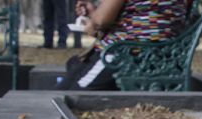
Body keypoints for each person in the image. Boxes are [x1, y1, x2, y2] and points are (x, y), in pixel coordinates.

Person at [57, 0, 189, 90]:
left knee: (70, 93)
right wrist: (94, 13)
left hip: (126, 52)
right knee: (74, 64)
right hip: (165, 53)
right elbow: (149, 12)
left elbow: (101, 21)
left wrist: (93, 23)